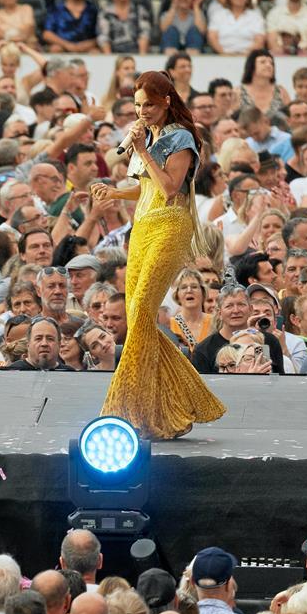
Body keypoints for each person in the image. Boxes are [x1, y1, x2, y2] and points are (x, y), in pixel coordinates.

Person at [95, 71, 225, 440]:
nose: (142, 111)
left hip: (170, 224)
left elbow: (169, 188)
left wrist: (140, 150)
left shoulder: (181, 138)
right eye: (137, 106)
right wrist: (113, 194)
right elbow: (145, 189)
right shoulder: (150, 137)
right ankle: (176, 400)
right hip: (144, 225)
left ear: (167, 101)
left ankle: (122, 405)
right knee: (140, 315)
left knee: (139, 312)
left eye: (148, 104)